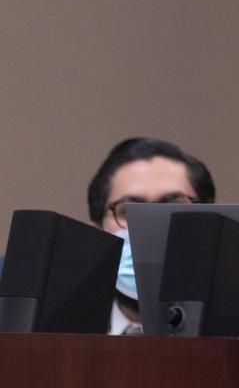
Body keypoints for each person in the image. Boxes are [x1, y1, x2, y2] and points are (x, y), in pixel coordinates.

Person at [87, 137, 216, 335]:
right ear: (96, 232)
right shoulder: (53, 339)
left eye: (174, 206)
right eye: (129, 211)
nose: (150, 230)